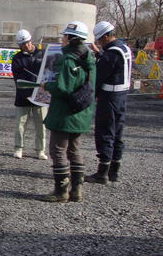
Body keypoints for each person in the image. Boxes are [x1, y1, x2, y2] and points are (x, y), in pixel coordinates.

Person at [40, 21, 96, 203]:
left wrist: (47, 86)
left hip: (65, 113)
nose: (62, 39)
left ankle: (61, 191)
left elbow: (64, 88)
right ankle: (77, 190)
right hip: (81, 111)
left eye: (64, 36)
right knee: (74, 149)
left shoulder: (69, 60)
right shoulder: (89, 58)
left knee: (57, 149)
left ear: (72, 38)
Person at [86, 21, 132, 184]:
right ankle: (114, 171)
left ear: (106, 36)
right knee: (117, 133)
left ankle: (102, 173)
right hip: (122, 95)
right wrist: (99, 54)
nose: (99, 42)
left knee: (105, 132)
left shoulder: (110, 54)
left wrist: (94, 94)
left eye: (99, 39)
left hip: (109, 96)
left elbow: (100, 76)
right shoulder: (124, 48)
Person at [11, 29, 48, 160]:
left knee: (41, 125)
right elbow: (18, 79)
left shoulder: (43, 54)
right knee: (20, 124)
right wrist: (28, 92)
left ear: (31, 40)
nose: (26, 46)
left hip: (41, 96)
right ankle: (18, 148)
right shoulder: (17, 58)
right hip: (23, 96)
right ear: (19, 46)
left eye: (27, 42)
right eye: (22, 44)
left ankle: (40, 150)